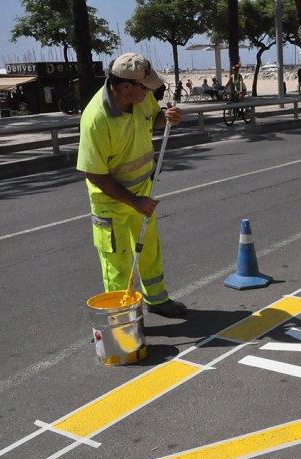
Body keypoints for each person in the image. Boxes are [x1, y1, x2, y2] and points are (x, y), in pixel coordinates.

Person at [76, 53, 186, 317]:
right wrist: (133, 201)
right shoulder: (96, 119)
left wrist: (168, 118)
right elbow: (95, 174)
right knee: (117, 263)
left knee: (149, 249)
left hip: (142, 192)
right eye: (145, 87)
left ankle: (157, 300)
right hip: (111, 201)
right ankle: (122, 315)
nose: (151, 91)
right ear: (126, 87)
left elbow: (154, 118)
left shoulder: (140, 98)